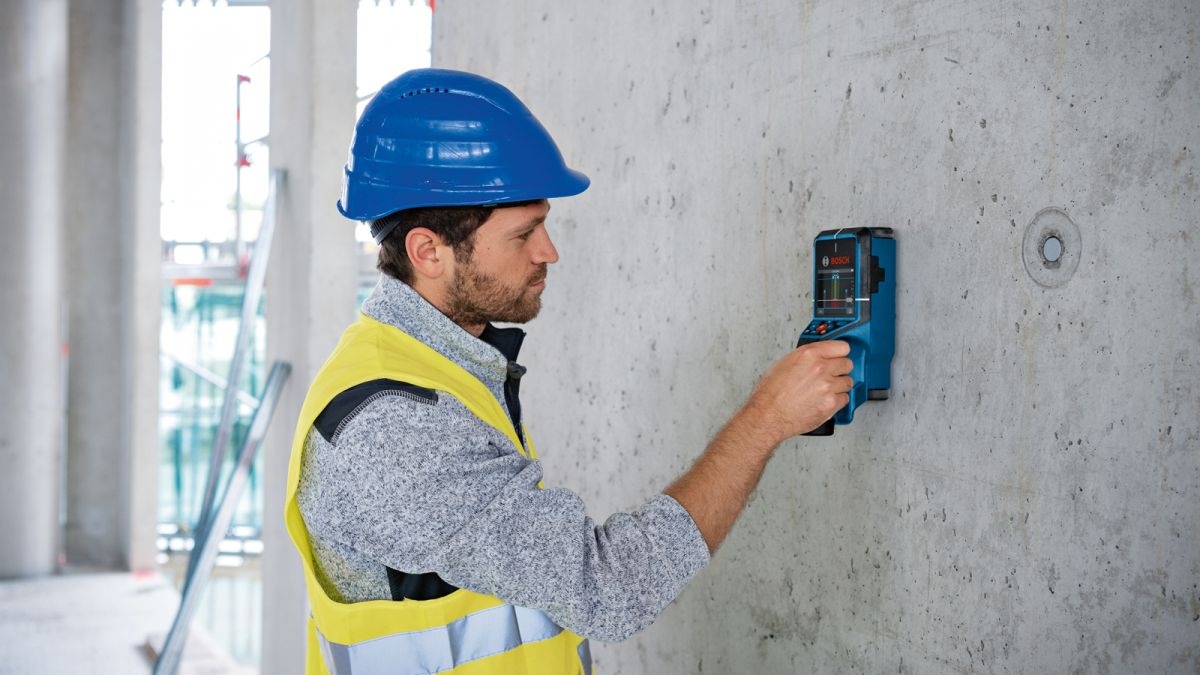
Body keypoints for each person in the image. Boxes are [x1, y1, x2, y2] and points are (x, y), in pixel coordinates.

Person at [284, 68, 853, 675]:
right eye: (524, 234)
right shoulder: (394, 427)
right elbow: (609, 589)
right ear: (429, 252)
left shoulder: (446, 368)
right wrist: (766, 419)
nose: (548, 251)